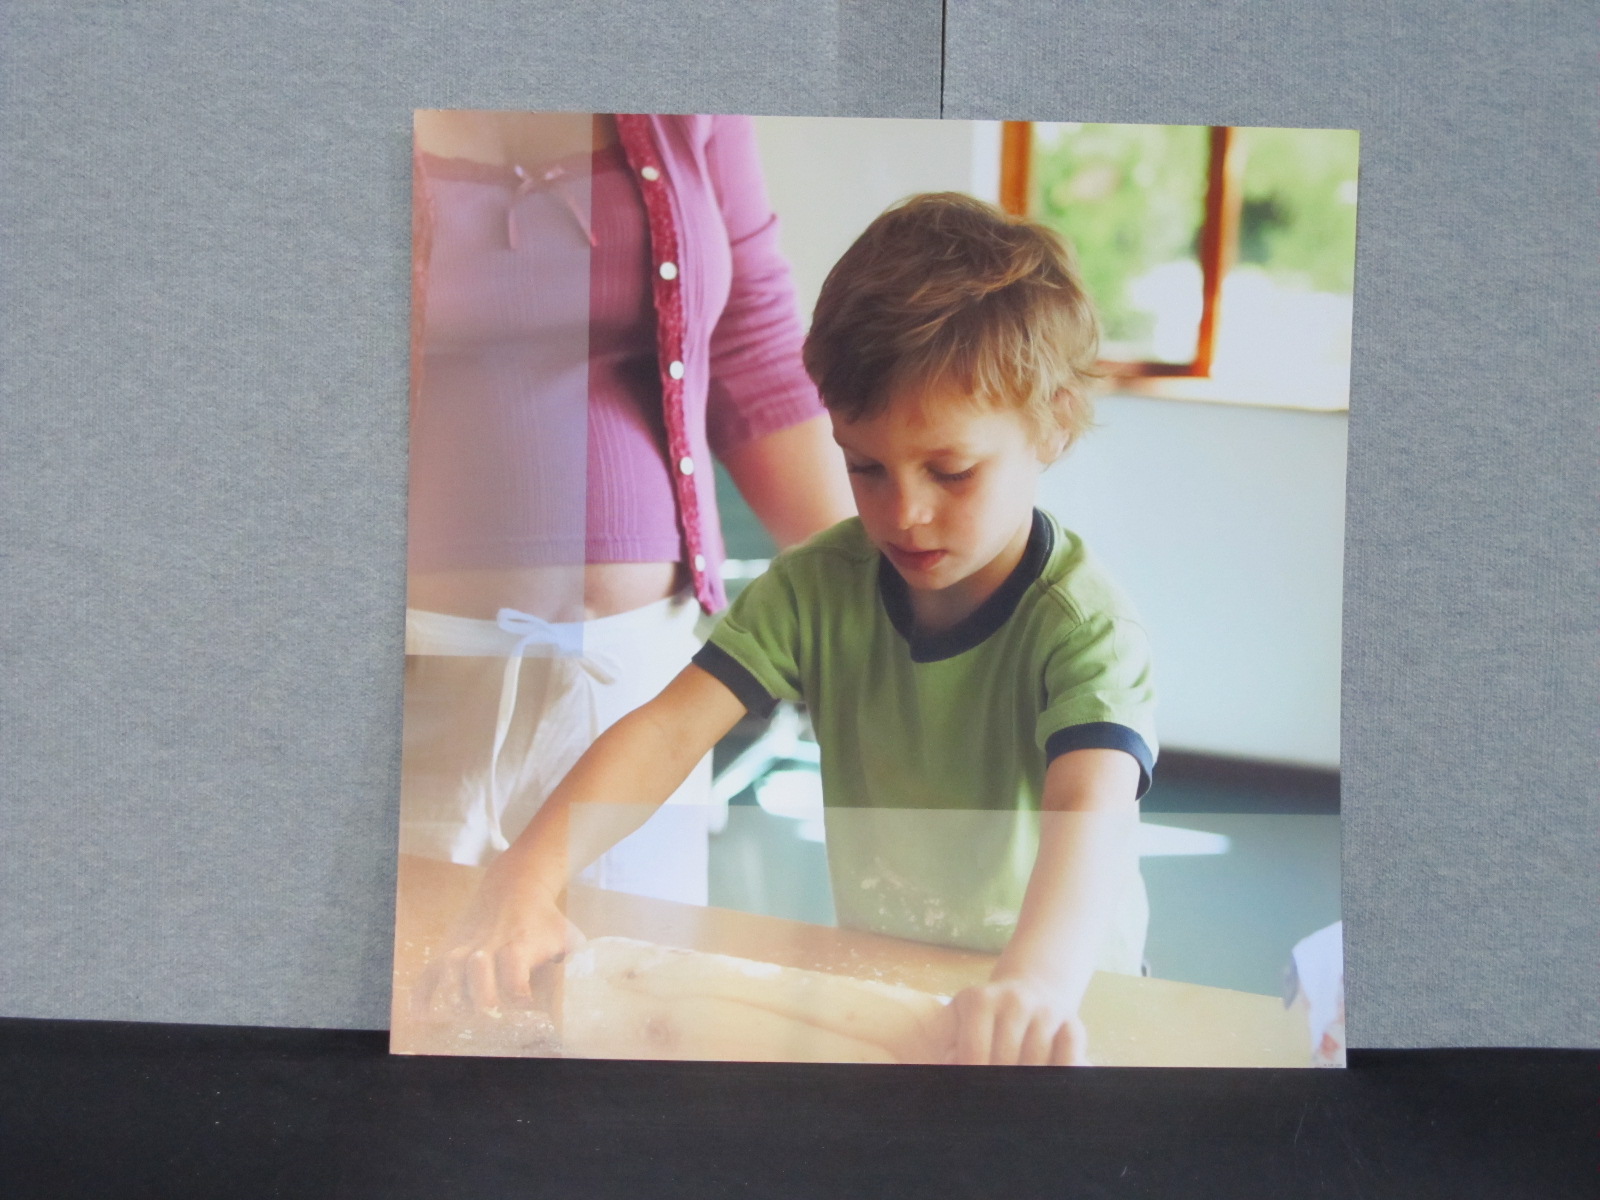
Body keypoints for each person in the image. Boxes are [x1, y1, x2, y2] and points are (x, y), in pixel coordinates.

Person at [417, 192, 1157, 1067]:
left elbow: (1090, 809)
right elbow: (667, 732)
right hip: (892, 981)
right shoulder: (820, 588)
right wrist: (525, 876)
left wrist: (1034, 984)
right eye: (866, 467)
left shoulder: (1082, 626)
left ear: (1055, 423)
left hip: (1062, 1004)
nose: (905, 512)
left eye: (951, 472)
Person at [401, 112, 853, 905]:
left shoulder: (692, 89)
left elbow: (751, 342)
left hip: (635, 693)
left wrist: (874, 605)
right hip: (405, 688)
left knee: (629, 978)